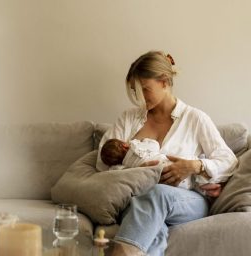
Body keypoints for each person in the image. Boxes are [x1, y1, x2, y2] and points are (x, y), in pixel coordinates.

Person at [96, 51, 238, 256]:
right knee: (154, 230)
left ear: (164, 82)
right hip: (137, 199)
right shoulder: (128, 119)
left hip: (186, 201)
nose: (140, 98)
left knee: (158, 195)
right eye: (136, 91)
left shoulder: (195, 118)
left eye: (145, 89)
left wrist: (195, 166)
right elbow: (103, 163)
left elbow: (229, 161)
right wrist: (135, 170)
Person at [100, 137, 196, 189]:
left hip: (166, 181)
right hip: (170, 164)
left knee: (189, 183)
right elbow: (155, 145)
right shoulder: (135, 145)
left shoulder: (125, 168)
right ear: (124, 145)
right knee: (191, 162)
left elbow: (114, 172)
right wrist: (144, 140)